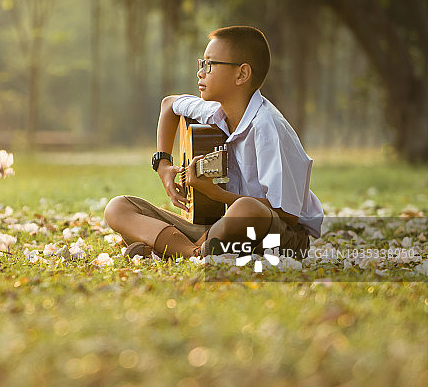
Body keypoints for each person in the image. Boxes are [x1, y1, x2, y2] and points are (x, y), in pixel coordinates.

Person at [104, 26, 323, 261]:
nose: (200, 73)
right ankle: (195, 251)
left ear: (241, 74)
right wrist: (163, 165)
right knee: (118, 207)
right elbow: (169, 105)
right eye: (201, 64)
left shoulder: (267, 128)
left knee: (245, 210)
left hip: (279, 236)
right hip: (221, 229)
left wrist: (215, 194)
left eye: (209, 65)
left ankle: (172, 248)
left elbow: (286, 214)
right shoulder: (214, 112)